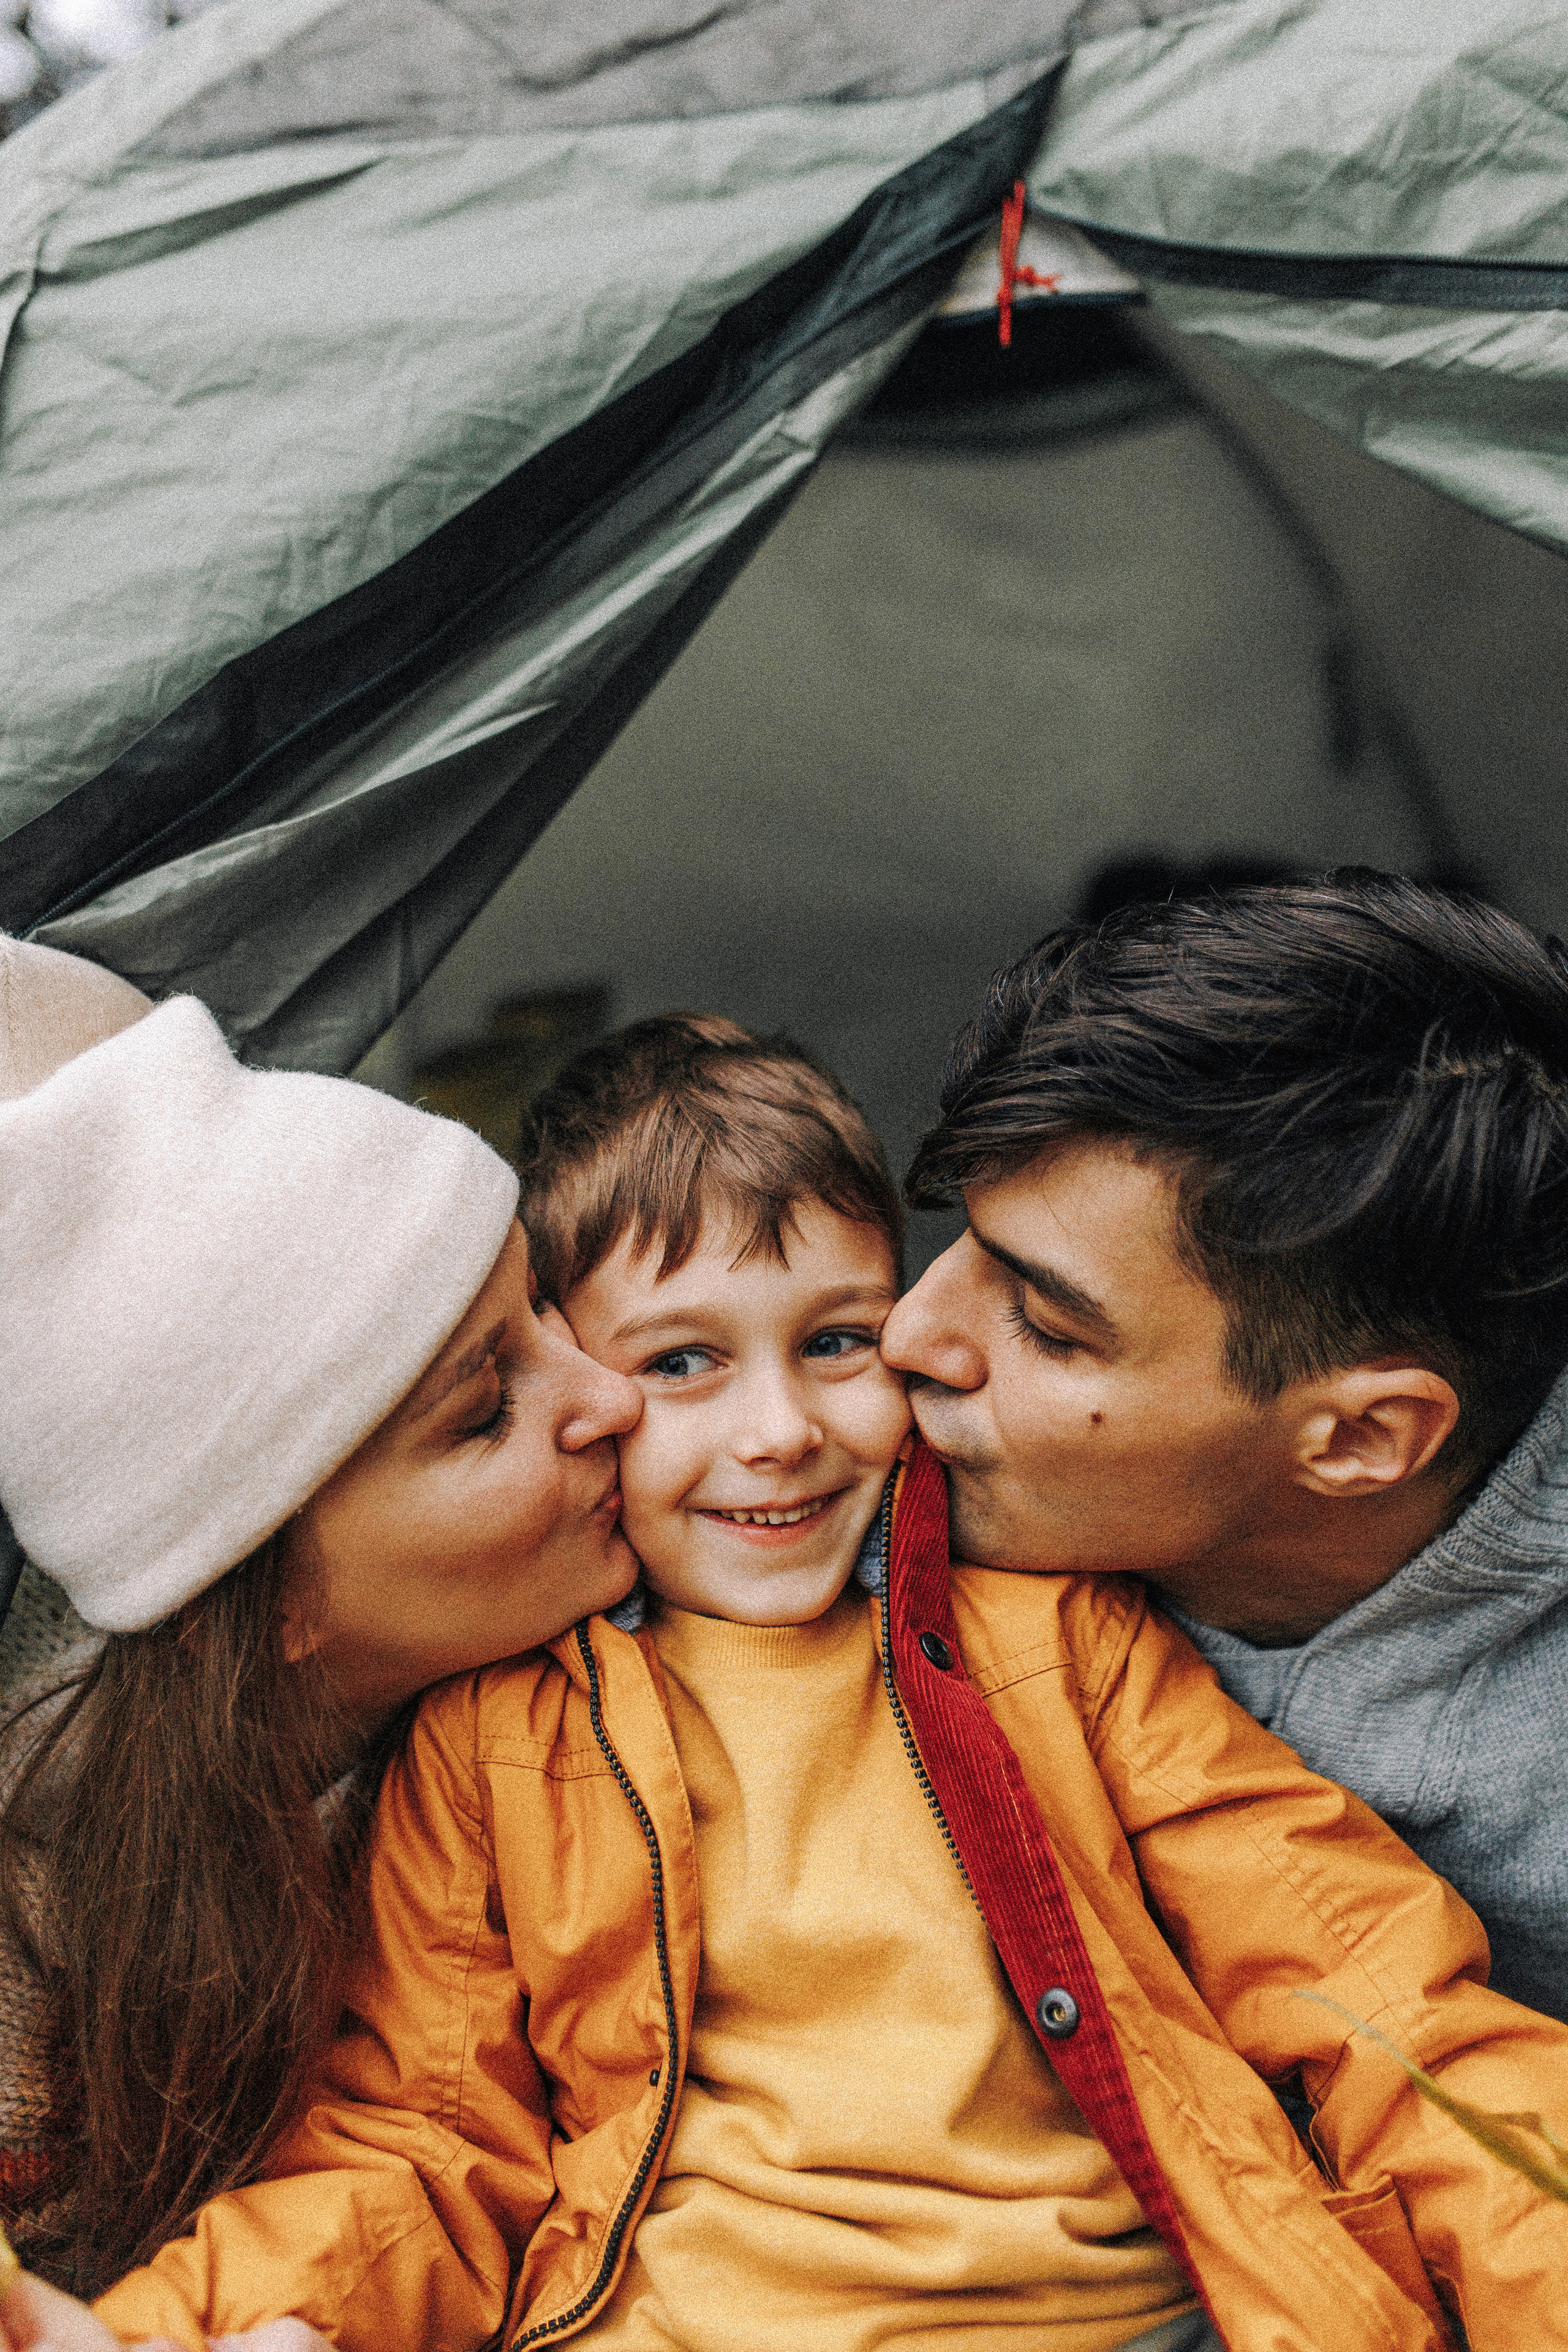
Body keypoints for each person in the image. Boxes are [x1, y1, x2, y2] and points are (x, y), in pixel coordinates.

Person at [77, 1014, 1568, 2352]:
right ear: (584, 1390)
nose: (779, 1429)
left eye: (837, 1341)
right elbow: (423, 2140)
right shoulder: (497, 1736)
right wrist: (174, 2327)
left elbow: (1375, 2003)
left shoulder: (1062, 1645)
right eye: (678, 1365)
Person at [0, 934, 643, 2297]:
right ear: (264, 1598)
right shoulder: (37, 1954)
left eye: (542, 1310)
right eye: (487, 1412)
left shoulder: (671, 1638)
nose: (613, 1400)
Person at [885, 868, 1568, 2023]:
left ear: (1360, 1437)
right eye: (960, 1239)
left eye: (1049, 1328)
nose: (911, 1334)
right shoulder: (808, 1475)